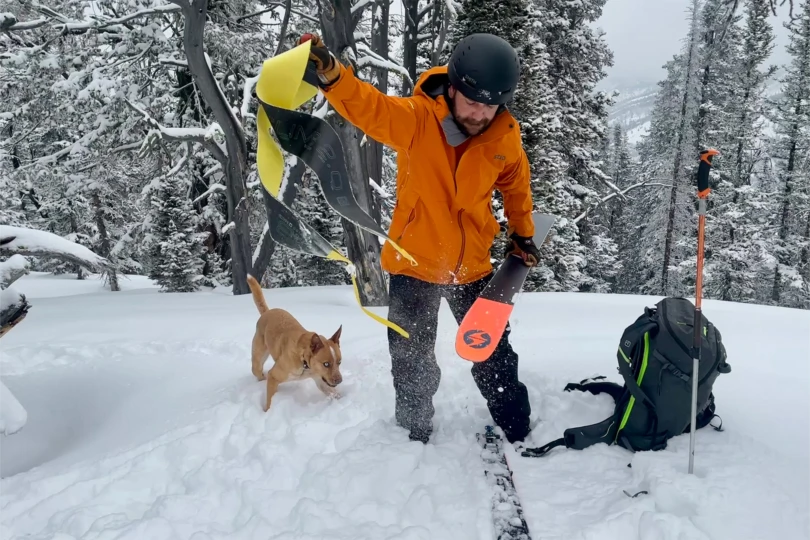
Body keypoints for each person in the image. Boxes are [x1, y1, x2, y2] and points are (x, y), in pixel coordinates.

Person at [298, 32, 541, 444]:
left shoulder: (504, 135)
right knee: (411, 360)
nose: (481, 113)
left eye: (491, 104)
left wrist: (523, 233)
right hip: (414, 265)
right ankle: (414, 432)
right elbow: (371, 108)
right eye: (472, 101)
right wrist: (334, 78)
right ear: (453, 87)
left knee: (493, 354)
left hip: (473, 267)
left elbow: (516, 184)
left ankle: (516, 424)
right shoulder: (417, 119)